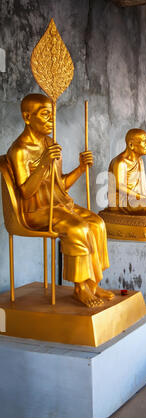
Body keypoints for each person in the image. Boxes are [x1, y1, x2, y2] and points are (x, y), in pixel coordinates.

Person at [7, 93, 113, 307]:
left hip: (60, 205)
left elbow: (60, 185)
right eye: (45, 115)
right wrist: (44, 163)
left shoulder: (50, 143)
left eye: (53, 114)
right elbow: (26, 192)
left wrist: (81, 169)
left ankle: (92, 283)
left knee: (97, 223)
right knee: (78, 229)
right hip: (36, 211)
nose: (51, 120)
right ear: (27, 117)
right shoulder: (19, 151)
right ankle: (80, 288)